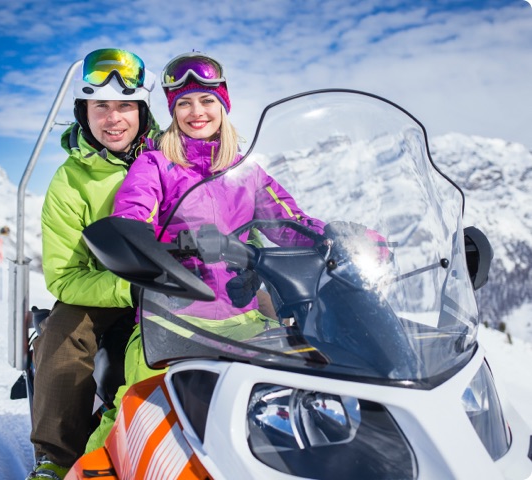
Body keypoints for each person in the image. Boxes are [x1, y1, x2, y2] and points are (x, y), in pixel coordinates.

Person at [83, 51, 327, 453]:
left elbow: (288, 222)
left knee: (289, 408)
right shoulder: (155, 164)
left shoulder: (246, 169)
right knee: (135, 413)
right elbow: (132, 213)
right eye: (184, 103)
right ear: (173, 111)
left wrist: (333, 239)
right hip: (170, 321)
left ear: (223, 105)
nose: (196, 112)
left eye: (207, 100)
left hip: (244, 320)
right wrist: (153, 244)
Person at [26, 48, 159, 480]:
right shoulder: (70, 182)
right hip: (108, 289)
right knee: (64, 333)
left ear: (142, 111)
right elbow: (64, 276)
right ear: (84, 112)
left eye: (125, 105)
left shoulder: (169, 157)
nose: (114, 118)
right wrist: (128, 287)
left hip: (176, 285)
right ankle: (57, 456)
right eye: (101, 106)